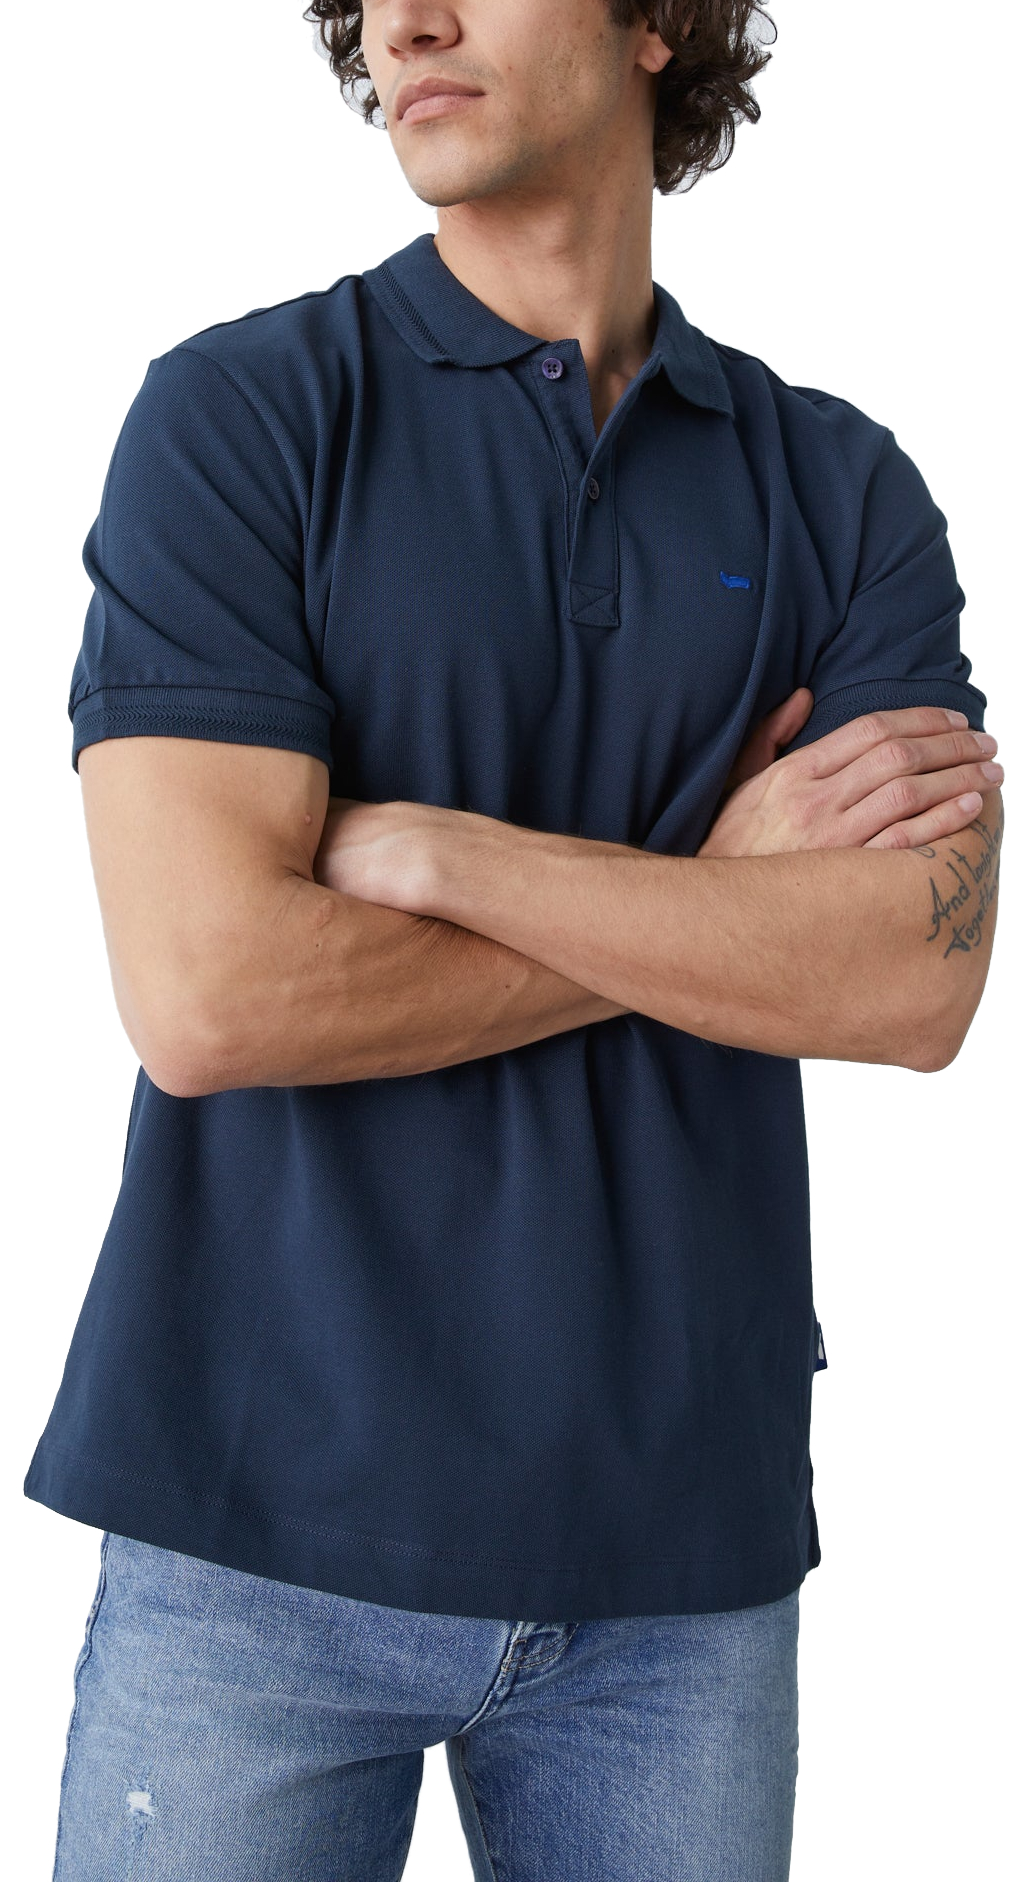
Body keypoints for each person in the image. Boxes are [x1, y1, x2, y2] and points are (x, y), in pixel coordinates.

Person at [26, 3, 1005, 1877]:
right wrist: (708, 884)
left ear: (659, 25)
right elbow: (208, 990)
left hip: (678, 1567)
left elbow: (912, 982)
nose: (407, 20)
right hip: (251, 1531)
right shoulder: (242, 417)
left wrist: (439, 854)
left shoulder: (841, 487)